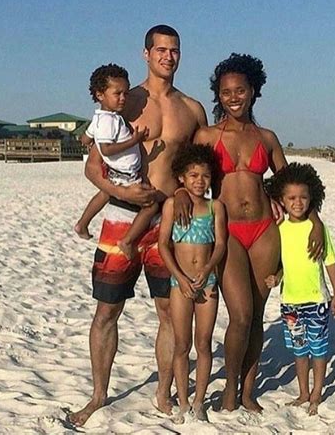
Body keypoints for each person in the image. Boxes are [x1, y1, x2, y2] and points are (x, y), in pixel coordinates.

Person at [68, 25, 207, 427]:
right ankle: (98, 395)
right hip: (121, 216)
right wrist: (123, 193)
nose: (168, 56)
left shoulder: (192, 109)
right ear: (145, 53)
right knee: (107, 311)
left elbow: (196, 168)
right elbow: (93, 167)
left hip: (168, 220)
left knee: (170, 312)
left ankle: (163, 392)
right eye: (160, 49)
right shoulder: (126, 102)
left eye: (174, 50)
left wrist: (182, 192)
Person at [183, 53, 324, 413]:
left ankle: (248, 392)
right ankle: (230, 387)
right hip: (227, 230)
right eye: (226, 92)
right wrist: (182, 199)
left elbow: (295, 186)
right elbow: (188, 175)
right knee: (241, 316)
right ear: (219, 95)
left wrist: (317, 222)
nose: (233, 97)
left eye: (240, 90)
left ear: (253, 92)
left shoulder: (267, 137)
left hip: (265, 231)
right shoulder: (207, 135)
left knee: (258, 316)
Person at [264, 162, 335, 416]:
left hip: (316, 300)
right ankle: (303, 392)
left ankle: (317, 393)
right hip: (290, 302)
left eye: (303, 197)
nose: (298, 203)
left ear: (312, 199)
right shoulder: (280, 230)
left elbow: (330, 262)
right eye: (292, 198)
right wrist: (276, 278)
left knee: (318, 351)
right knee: (299, 350)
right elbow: (284, 264)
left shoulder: (318, 229)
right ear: (282, 201)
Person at [158, 144, 226, 423]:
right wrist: (181, 278)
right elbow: (163, 244)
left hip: (207, 283)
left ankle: (199, 401)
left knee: (204, 343)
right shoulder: (173, 205)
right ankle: (183, 400)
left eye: (206, 176)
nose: (200, 181)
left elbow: (220, 244)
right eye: (193, 175)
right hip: (180, 283)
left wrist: (209, 268)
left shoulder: (215, 207)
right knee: (182, 344)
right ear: (182, 178)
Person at [74, 64, 159, 255]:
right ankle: (127, 241)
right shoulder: (108, 120)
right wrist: (134, 140)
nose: (123, 98)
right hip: (126, 176)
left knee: (104, 193)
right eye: (117, 93)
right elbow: (107, 149)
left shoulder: (99, 118)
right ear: (100, 95)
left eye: (126, 93)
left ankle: (82, 224)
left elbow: (85, 138)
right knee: (151, 205)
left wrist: (88, 141)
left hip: (116, 174)